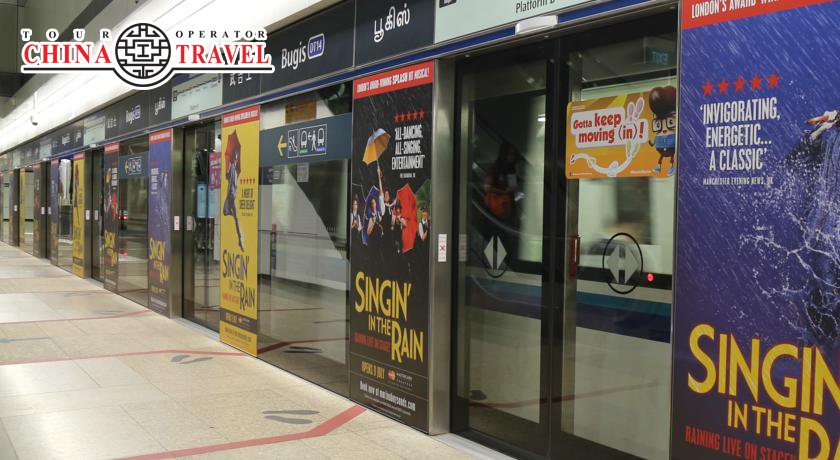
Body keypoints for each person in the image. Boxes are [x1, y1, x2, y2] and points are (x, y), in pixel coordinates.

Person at [648, 86, 677, 175]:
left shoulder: (674, 136)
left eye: (670, 122)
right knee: (661, 157)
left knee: (671, 156)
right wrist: (652, 143)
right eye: (658, 124)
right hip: (661, 148)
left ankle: (672, 166)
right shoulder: (659, 136)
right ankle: (659, 167)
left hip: (670, 148)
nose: (664, 130)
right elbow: (654, 142)